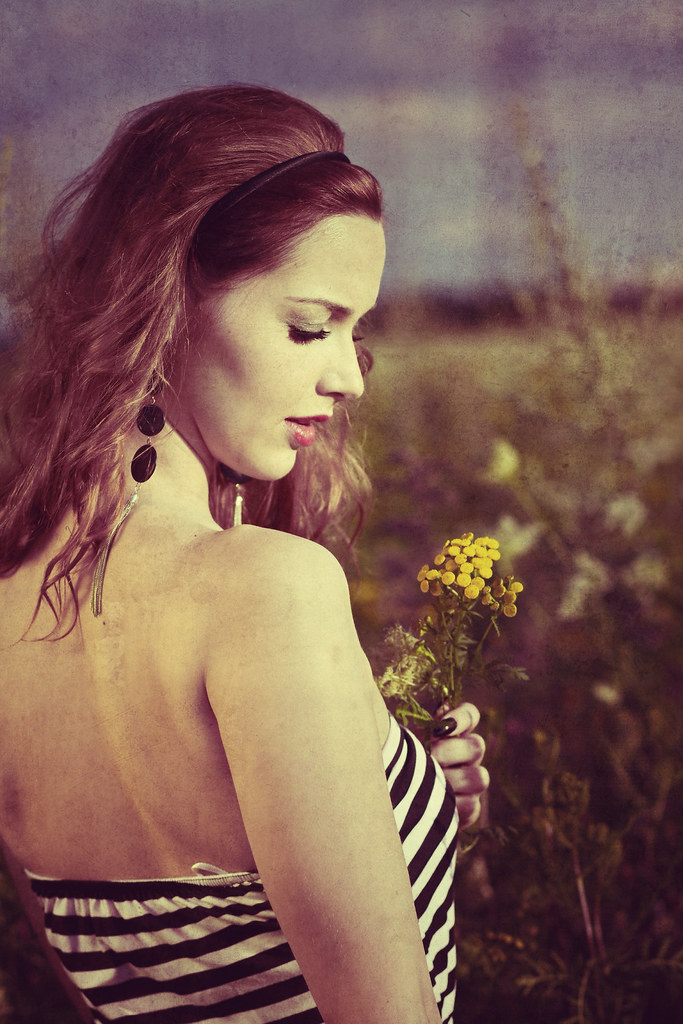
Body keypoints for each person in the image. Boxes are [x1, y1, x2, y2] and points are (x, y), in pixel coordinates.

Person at [0, 85, 489, 1024]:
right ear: (165, 300)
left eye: (354, 331)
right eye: (309, 326)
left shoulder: (10, 601)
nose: (347, 378)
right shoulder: (269, 590)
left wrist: (410, 798)